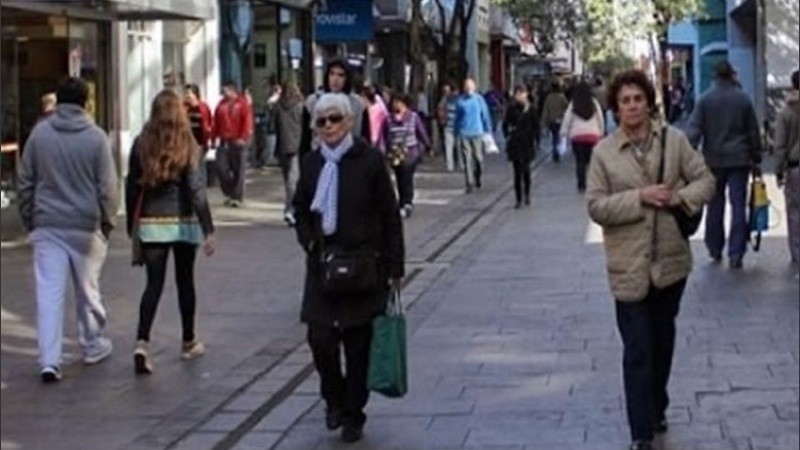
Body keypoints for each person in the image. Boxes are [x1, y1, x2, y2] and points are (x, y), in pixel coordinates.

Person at [586, 69, 715, 450]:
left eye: (637, 99)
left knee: (661, 341)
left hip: (671, 262)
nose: (632, 106)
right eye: (624, 101)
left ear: (648, 101)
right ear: (616, 107)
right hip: (627, 265)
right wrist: (640, 197)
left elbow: (705, 180)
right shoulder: (604, 153)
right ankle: (640, 432)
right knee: (637, 349)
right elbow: (595, 207)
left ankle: (656, 403)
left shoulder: (674, 142)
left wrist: (678, 198)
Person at [292, 93, 405, 444]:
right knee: (320, 339)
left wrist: (395, 266)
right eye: (321, 121)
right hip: (323, 266)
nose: (328, 126)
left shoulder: (369, 160)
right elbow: (300, 210)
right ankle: (334, 399)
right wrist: (310, 240)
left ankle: (354, 412)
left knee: (358, 346)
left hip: (364, 267)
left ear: (350, 122)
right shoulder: (312, 164)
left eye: (334, 119)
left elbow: (390, 215)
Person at [18, 77, 119, 383]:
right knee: (88, 290)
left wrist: (29, 219)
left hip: (48, 225)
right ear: (85, 101)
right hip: (85, 226)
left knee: (48, 292)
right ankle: (92, 343)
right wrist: (107, 221)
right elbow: (108, 188)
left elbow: (26, 183)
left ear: (58, 101)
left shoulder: (39, 135)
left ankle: (49, 360)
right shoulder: (96, 138)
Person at [125, 89, 216, 375]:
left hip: (152, 222)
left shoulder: (142, 142)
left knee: (153, 285)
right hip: (183, 222)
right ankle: (189, 340)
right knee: (184, 282)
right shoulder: (186, 142)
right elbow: (195, 189)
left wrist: (132, 225)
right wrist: (208, 229)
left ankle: (142, 341)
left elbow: (132, 188)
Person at [684, 60, 763, 269]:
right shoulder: (743, 100)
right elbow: (753, 132)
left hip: (713, 160)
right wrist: (757, 157)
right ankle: (736, 252)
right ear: (732, 75)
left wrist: (687, 155)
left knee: (714, 205)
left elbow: (693, 130)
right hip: (739, 159)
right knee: (738, 205)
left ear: (715, 76)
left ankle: (714, 248)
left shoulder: (705, 100)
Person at [299, 59, 371, 163]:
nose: (335, 79)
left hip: (351, 160)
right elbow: (305, 140)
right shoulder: (313, 102)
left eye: (341, 75)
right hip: (319, 158)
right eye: (332, 74)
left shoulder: (358, 104)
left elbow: (365, 137)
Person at [380, 93, 431, 218]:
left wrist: (427, 146)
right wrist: (383, 150)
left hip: (410, 154)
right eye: (394, 102)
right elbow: (385, 136)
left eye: (398, 102)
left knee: (407, 177)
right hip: (395, 155)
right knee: (399, 178)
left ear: (404, 104)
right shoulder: (388, 119)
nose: (396, 105)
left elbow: (421, 132)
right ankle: (402, 202)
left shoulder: (413, 117)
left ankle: (407, 202)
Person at [773, 69, 800, 267]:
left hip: (795, 168)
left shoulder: (786, 112)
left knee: (794, 211)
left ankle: (797, 251)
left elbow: (780, 145)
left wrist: (778, 171)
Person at [213, 81, 253, 207]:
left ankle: (237, 197)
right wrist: (213, 138)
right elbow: (216, 122)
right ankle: (229, 191)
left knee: (239, 169)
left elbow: (247, 121)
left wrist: (243, 137)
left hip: (239, 140)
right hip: (224, 140)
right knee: (221, 167)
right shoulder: (221, 104)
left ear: (232, 90)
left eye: (225, 90)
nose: (223, 92)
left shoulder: (242, 104)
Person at [560, 81, 605, 192]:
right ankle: (591, 182)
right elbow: (600, 118)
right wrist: (601, 132)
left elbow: (567, 119)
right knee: (591, 162)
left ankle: (581, 184)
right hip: (593, 136)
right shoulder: (594, 103)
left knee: (580, 161)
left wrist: (563, 133)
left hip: (577, 137)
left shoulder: (574, 103)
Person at [503, 85, 539, 208]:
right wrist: (508, 135)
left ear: (526, 94)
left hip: (527, 143)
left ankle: (527, 195)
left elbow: (536, 127)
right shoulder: (511, 109)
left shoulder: (531, 109)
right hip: (515, 144)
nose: (519, 96)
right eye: (517, 93)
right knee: (517, 173)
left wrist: (536, 141)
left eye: (521, 93)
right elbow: (505, 124)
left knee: (526, 171)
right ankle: (518, 199)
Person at [275, 82, 305, 227]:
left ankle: (291, 209)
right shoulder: (300, 107)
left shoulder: (278, 107)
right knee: (293, 181)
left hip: (283, 147)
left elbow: (276, 128)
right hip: (297, 146)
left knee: (288, 180)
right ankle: (291, 210)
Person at [455, 77, 492, 193]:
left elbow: (485, 114)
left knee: (478, 158)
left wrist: (488, 128)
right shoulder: (460, 101)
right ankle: (469, 183)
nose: (469, 88)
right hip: (464, 133)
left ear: (474, 87)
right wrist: (456, 131)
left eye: (470, 86)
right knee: (467, 158)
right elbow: (457, 118)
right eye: (467, 86)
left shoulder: (479, 99)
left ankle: (478, 176)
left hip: (477, 132)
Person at [183, 84, 214, 186]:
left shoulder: (203, 107)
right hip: (187, 143)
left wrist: (209, 137)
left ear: (195, 94)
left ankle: (201, 187)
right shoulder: (183, 107)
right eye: (185, 93)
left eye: (189, 93)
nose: (186, 96)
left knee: (199, 167)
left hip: (200, 141)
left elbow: (209, 122)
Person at [540, 82, 569, 163]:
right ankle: (557, 152)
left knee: (554, 137)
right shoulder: (562, 97)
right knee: (559, 137)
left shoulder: (548, 98)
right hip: (560, 120)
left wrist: (543, 122)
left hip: (552, 120)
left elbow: (545, 110)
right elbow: (567, 108)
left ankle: (555, 152)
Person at [437, 82, 461, 172]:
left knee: (450, 147)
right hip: (455, 126)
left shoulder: (446, 99)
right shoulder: (458, 100)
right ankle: (458, 165)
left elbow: (440, 109)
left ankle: (450, 166)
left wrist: (442, 120)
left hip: (450, 126)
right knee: (456, 146)